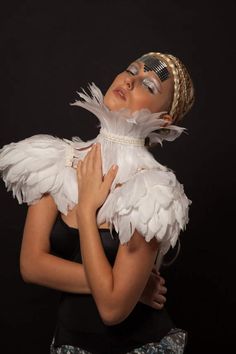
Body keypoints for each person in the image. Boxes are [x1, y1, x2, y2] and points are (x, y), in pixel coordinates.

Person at [0, 51, 194, 353]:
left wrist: (88, 210)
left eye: (149, 85)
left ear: (164, 119)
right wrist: (128, 287)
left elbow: (112, 309)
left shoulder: (153, 191)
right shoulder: (57, 162)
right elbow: (32, 265)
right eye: (132, 69)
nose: (131, 81)